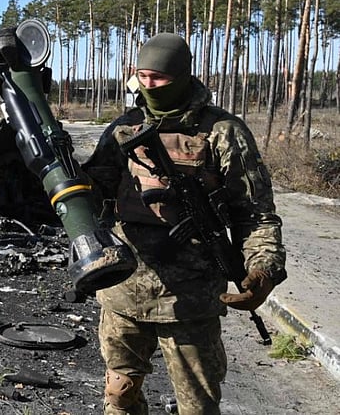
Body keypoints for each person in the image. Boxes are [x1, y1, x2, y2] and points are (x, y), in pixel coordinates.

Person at [81, 33, 286, 415]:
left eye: (158, 77)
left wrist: (262, 269)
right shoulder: (124, 129)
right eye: (141, 76)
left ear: (182, 75)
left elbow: (255, 213)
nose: (148, 85)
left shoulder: (223, 131)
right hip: (124, 288)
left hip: (190, 299)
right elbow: (91, 193)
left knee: (198, 405)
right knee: (119, 395)